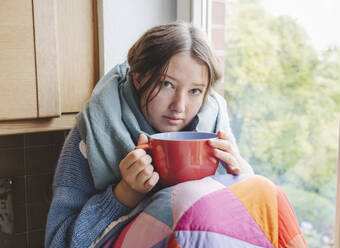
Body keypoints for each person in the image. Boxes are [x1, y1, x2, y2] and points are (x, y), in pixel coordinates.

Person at [45, 21, 254, 248]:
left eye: (195, 91)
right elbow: (58, 242)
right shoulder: (93, 131)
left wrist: (244, 179)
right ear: (138, 78)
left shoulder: (214, 123)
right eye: (166, 84)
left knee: (264, 190)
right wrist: (123, 194)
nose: (179, 106)